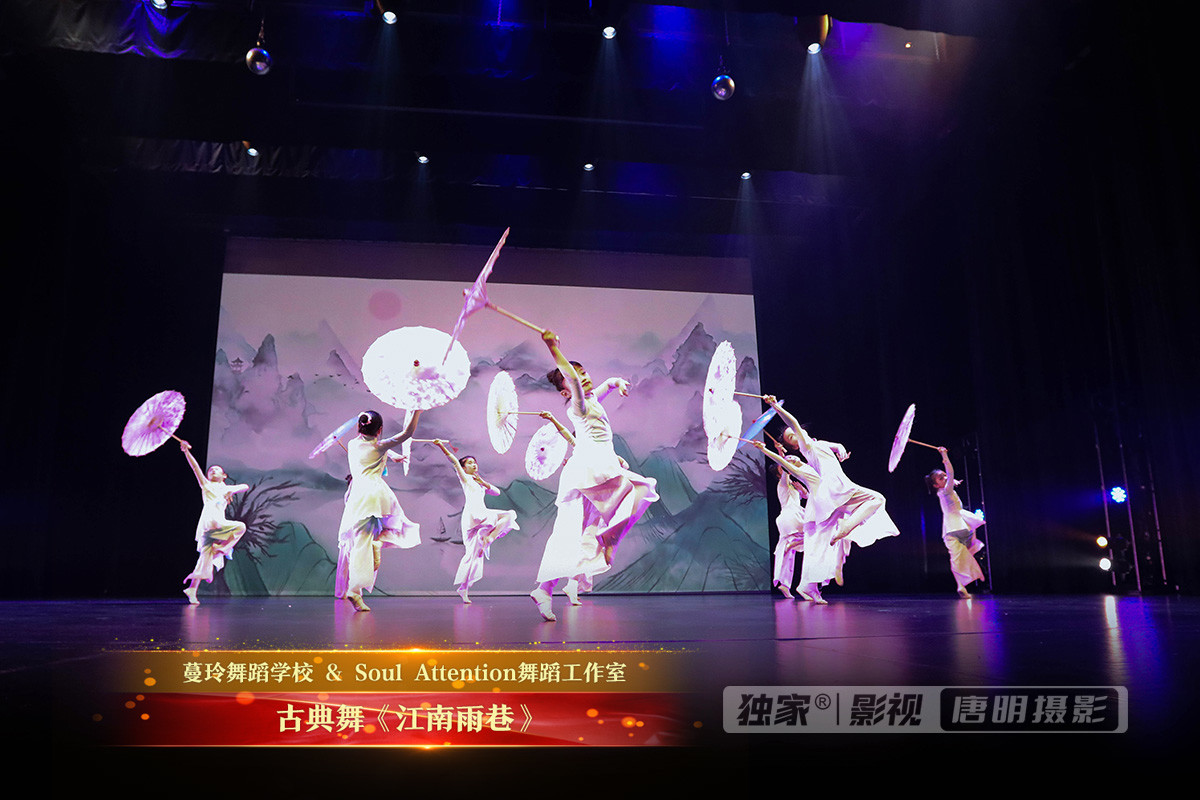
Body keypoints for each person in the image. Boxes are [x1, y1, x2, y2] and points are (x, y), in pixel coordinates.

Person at [529, 330, 659, 622]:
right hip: (588, 469)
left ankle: (546, 588)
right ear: (565, 392)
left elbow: (607, 385)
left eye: (584, 372)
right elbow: (576, 383)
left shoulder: (592, 398)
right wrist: (553, 347)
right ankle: (606, 541)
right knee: (638, 491)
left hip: (598, 464)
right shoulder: (579, 405)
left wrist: (617, 382)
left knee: (583, 530)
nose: (583, 378)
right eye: (574, 377)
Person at [759, 396, 899, 602]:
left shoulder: (817, 445)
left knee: (820, 543)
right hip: (834, 490)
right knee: (877, 499)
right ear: (795, 446)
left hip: (831, 493)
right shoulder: (807, 446)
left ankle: (807, 585)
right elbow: (793, 424)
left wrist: (840, 449)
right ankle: (846, 528)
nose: (795, 434)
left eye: (794, 433)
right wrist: (775, 407)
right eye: (791, 437)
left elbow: (833, 446)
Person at [336, 410, 422, 612]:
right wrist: (417, 409)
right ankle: (355, 589)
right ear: (380, 429)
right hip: (374, 495)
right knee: (364, 541)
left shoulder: (352, 444)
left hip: (358, 495)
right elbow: (407, 434)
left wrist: (392, 455)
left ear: (359, 427)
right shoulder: (380, 446)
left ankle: (374, 549)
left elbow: (374, 447)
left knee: (364, 538)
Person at [433, 440, 519, 603]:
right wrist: (441, 446)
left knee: (475, 554)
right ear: (464, 468)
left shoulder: (479, 482)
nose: (474, 465)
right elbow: (453, 460)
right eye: (470, 463)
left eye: (475, 462)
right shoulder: (465, 479)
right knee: (508, 516)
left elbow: (497, 492)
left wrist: (483, 482)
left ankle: (463, 588)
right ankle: (489, 537)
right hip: (474, 516)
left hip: (481, 516)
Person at [179, 439, 249, 605]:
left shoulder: (226, 488)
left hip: (218, 525)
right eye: (210, 470)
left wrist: (230, 492)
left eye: (216, 469)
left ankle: (193, 588)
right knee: (206, 557)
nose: (212, 470)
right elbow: (195, 468)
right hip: (209, 523)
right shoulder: (206, 485)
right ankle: (221, 550)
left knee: (240, 527)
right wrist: (186, 451)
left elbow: (245, 486)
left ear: (224, 476)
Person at [926, 446, 986, 598]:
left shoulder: (944, 491)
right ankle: (962, 584)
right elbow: (950, 473)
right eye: (941, 478)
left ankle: (962, 584)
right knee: (959, 557)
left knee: (957, 558)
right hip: (961, 528)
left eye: (944, 475)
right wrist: (944, 455)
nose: (945, 478)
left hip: (953, 530)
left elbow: (950, 479)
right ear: (936, 485)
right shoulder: (946, 491)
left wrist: (953, 481)